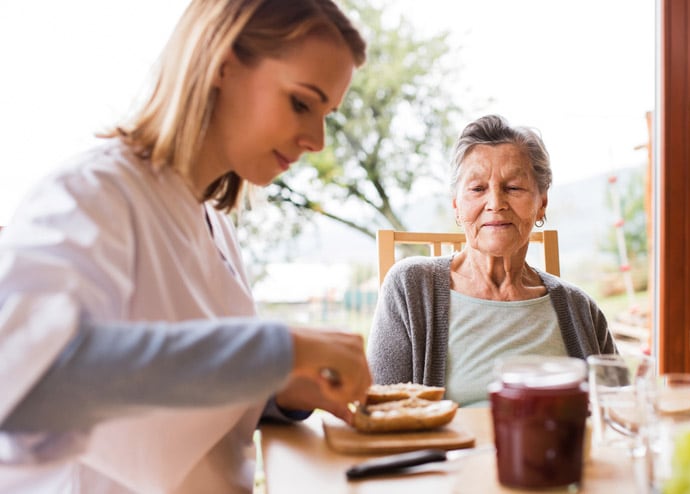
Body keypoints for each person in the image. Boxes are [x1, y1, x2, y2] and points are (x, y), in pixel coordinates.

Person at [0, 0, 372, 492]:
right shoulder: (93, 195)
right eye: (302, 103)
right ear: (221, 64)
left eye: (326, 113)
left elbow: (180, 379)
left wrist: (276, 390)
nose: (318, 140)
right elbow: (25, 383)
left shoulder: (212, 219)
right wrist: (280, 349)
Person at [367, 114, 619, 407]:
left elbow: (620, 415)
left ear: (542, 203)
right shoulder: (409, 287)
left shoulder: (580, 308)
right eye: (477, 189)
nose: (495, 203)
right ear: (456, 206)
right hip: (450, 453)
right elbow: (382, 411)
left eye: (513, 187)